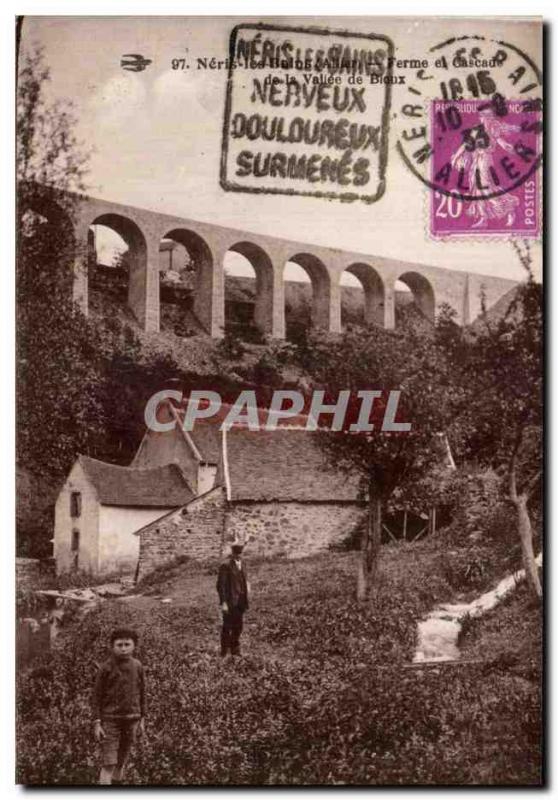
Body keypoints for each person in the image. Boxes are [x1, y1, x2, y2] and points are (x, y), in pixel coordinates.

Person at [92, 627, 146, 785]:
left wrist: (142, 719)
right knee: (109, 762)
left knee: (122, 760)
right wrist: (97, 722)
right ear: (112, 646)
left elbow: (142, 693)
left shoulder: (138, 666)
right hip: (110, 721)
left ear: (134, 646)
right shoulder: (106, 668)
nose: (123, 649)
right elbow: (96, 697)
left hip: (132, 720)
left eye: (127, 644)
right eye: (119, 645)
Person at [217, 539, 249, 657]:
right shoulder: (225, 565)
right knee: (227, 626)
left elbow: (243, 579)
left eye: (240, 553)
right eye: (237, 553)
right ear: (233, 553)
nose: (239, 556)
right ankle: (224, 651)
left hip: (241, 600)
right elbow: (221, 586)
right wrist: (224, 602)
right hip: (230, 601)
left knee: (239, 626)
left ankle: (235, 649)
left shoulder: (243, 563)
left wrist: (246, 590)